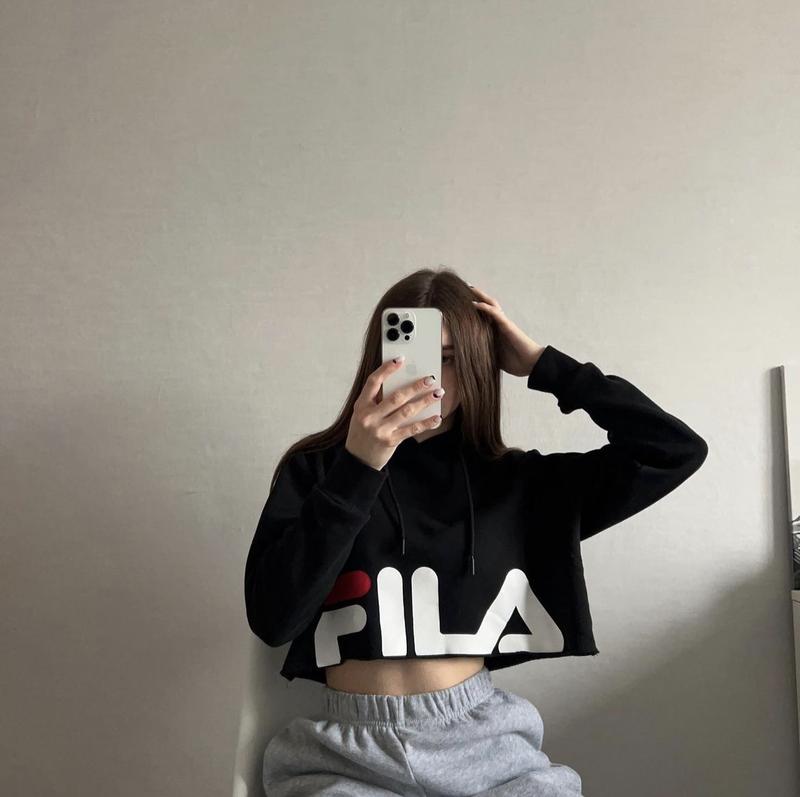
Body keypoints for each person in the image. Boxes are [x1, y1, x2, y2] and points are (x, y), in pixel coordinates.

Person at [244, 268, 708, 796]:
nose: (432, 379)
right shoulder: (319, 472)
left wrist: (544, 364)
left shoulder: (517, 484)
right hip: (348, 756)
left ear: (477, 362)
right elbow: (273, 619)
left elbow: (674, 451)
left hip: (485, 745)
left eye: (450, 357)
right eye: (412, 355)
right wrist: (358, 468)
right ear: (380, 359)